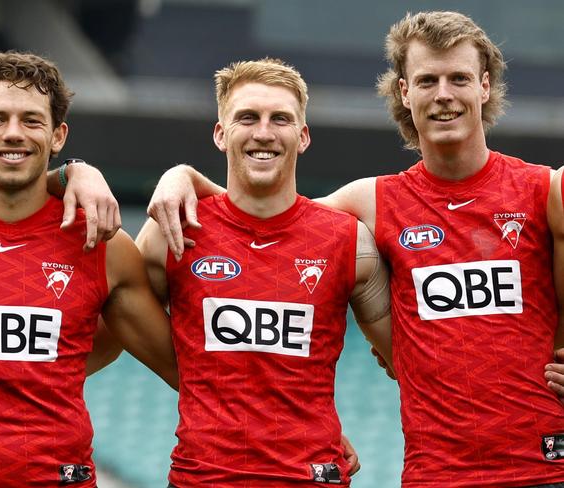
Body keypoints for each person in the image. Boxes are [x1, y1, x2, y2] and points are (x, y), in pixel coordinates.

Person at [147, 11, 564, 488]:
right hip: (437, 474)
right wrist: (183, 176)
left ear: (484, 87)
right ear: (405, 92)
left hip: (547, 465)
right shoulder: (371, 202)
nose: (443, 94)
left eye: (459, 79)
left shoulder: (544, 190)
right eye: (427, 80)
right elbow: (263, 210)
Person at [0, 50, 177, 487]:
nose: (13, 133)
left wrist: (307, 431)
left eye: (32, 121)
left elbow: (190, 374)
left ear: (58, 136)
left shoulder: (104, 248)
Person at [136, 57, 392, 487]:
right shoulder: (172, 232)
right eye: (247, 118)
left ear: (303, 136)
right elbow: (107, 325)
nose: (263, 133)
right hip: (203, 478)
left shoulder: (349, 241)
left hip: (312, 475)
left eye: (281, 119)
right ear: (221, 133)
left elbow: (412, 359)